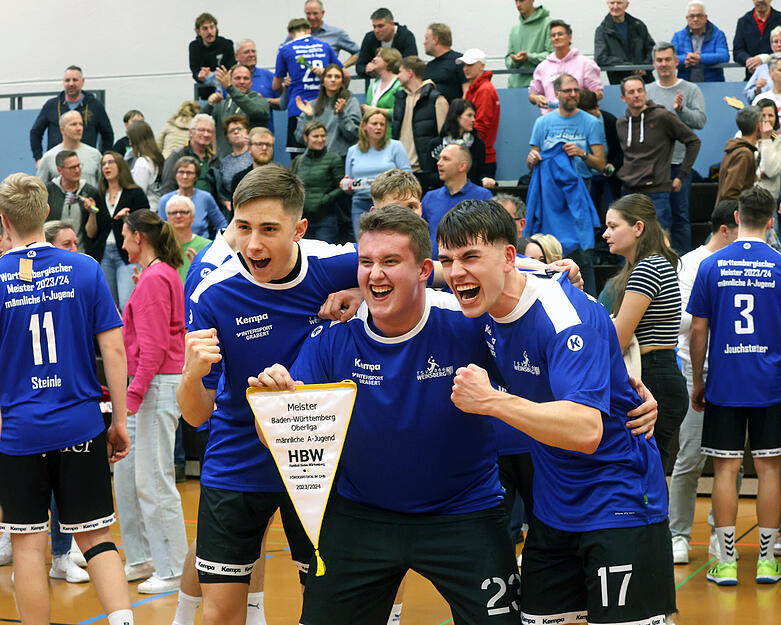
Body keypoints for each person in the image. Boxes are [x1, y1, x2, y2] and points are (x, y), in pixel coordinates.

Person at [251, 205, 524, 625]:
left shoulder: (469, 321)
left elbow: (538, 333)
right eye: (366, 262)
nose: (375, 274)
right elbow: (280, 435)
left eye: (390, 262)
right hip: (362, 514)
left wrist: (626, 388)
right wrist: (272, 404)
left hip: (463, 511)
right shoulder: (334, 335)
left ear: (423, 270)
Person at [437, 199, 673, 625]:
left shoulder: (562, 315)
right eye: (447, 260)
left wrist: (491, 400)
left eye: (470, 257)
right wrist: (356, 288)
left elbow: (586, 430)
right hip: (553, 508)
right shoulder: (486, 298)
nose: (456, 272)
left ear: (509, 257)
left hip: (617, 501)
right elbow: (417, 274)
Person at [178, 164, 360, 625]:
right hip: (237, 461)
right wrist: (190, 374)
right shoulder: (212, 292)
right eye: (242, 227)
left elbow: (420, 266)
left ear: (299, 229)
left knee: (328, 606)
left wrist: (363, 289)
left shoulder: (330, 267)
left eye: (268, 230)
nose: (253, 245)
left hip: (316, 464)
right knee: (220, 611)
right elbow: (196, 416)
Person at [0, 172, 133, 625]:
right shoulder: (86, 268)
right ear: (46, 214)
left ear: (4, 222)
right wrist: (119, 419)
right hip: (80, 424)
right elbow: (113, 349)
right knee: (97, 538)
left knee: (28, 549)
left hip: (18, 432)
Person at [688, 185, 781, 585]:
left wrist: (698, 379)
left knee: (725, 470)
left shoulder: (711, 264)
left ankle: (725, 562)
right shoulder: (779, 264)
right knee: (769, 469)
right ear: (772, 221)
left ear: (737, 217)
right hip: (771, 384)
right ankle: (766, 560)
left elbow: (697, 330)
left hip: (724, 381)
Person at [113, 209, 188, 594]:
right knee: (132, 476)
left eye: (125, 236)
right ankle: (144, 557)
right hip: (152, 383)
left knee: (154, 479)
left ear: (138, 237)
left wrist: (133, 393)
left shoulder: (157, 278)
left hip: (157, 384)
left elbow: (155, 347)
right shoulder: (157, 275)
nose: (122, 244)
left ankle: (174, 567)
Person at [668, 201, 739, 565]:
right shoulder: (691, 263)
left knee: (730, 461)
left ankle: (719, 533)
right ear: (725, 229)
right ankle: (678, 534)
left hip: (732, 372)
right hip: (694, 369)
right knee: (690, 457)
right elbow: (684, 321)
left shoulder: (744, 263)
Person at [602, 194, 688, 473]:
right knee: (646, 474)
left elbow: (618, 338)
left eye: (614, 227)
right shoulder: (650, 265)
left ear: (638, 228)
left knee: (644, 476)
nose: (606, 234)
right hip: (658, 374)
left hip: (654, 376)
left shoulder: (648, 267)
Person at [527, 73, 605, 295]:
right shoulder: (542, 123)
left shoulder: (591, 122)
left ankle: (589, 301)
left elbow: (601, 164)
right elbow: (532, 159)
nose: (573, 94)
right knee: (551, 254)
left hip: (580, 195)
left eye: (576, 90)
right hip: (551, 198)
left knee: (582, 256)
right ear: (557, 93)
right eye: (568, 90)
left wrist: (581, 153)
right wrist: (532, 159)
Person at [616, 76, 701, 233]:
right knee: (627, 240)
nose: (636, 95)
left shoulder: (662, 117)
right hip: (628, 191)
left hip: (657, 192)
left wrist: (681, 176)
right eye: (631, 92)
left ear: (645, 93)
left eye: (640, 90)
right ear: (623, 98)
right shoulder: (621, 123)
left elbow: (693, 141)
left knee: (658, 240)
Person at [646, 42, 707, 255]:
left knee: (680, 216)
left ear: (676, 61)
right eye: (659, 60)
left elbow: (700, 121)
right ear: (654, 63)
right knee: (657, 218)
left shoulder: (691, 89)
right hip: (653, 167)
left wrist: (681, 111)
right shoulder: (647, 91)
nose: (664, 64)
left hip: (679, 164)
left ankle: (683, 262)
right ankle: (660, 261)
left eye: (667, 60)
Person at [273, 18, 341, 156]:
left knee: (297, 156)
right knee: (326, 153)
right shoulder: (325, 46)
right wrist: (325, 71)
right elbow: (343, 74)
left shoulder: (285, 50)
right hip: (323, 107)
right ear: (309, 30)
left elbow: (275, 86)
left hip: (298, 107)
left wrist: (286, 83)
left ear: (290, 33)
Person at [345, 108, 412, 237]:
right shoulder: (352, 151)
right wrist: (345, 184)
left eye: (382, 124)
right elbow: (349, 183)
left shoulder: (395, 146)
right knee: (364, 245)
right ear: (364, 126)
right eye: (374, 124)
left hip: (390, 204)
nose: (379, 127)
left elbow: (407, 176)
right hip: (361, 203)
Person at [97, 151, 150, 310]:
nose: (106, 166)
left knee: (127, 305)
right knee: (110, 307)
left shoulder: (135, 193)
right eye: (104, 164)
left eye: (111, 162)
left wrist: (128, 218)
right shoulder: (98, 195)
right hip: (104, 253)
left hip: (127, 253)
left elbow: (146, 224)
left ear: (120, 165)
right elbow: (93, 231)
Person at [29, 65, 114, 164]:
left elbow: (108, 134)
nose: (71, 84)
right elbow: (35, 132)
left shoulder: (95, 106)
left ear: (82, 82)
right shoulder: (51, 105)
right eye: (67, 80)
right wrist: (38, 158)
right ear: (63, 82)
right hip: (56, 162)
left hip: (86, 162)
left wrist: (104, 158)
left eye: (75, 80)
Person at [422, 143, 493, 256]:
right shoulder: (429, 197)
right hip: (433, 267)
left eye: (446, 159)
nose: (439, 163)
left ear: (462, 166)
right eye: (439, 158)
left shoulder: (483, 197)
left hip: (467, 267)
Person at [391, 56, 448, 191]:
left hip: (425, 173)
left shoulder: (436, 99)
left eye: (400, 71)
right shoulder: (399, 99)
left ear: (410, 72)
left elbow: (444, 138)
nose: (397, 76)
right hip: (401, 172)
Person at [45, 150, 110, 261]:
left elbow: (92, 234)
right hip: (53, 256)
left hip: (82, 255)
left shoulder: (91, 192)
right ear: (60, 170)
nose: (77, 170)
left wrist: (92, 212)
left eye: (78, 166)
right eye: (72, 167)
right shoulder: (48, 191)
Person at [529, 20, 604, 114]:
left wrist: (580, 101)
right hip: (551, 119)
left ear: (569, 37)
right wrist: (536, 98)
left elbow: (598, 93)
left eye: (560, 34)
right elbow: (533, 94)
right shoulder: (543, 67)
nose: (556, 38)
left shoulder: (586, 63)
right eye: (553, 35)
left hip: (580, 117)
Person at [291, 121, 344, 243]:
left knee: (325, 256)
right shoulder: (298, 160)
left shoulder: (334, 159)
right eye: (315, 136)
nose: (320, 139)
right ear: (306, 138)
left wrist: (324, 199)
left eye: (323, 136)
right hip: (302, 219)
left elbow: (342, 187)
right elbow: (293, 186)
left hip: (326, 219)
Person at [202, 64, 270, 158]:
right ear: (231, 80)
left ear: (251, 82)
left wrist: (230, 88)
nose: (242, 81)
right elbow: (199, 123)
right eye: (237, 78)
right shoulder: (222, 104)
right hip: (223, 164)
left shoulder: (260, 101)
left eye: (246, 78)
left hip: (251, 164)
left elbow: (255, 112)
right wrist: (209, 105)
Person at [294, 64, 361, 158]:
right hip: (315, 160)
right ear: (323, 81)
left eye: (337, 77)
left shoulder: (350, 102)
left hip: (340, 159)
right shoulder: (312, 105)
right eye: (329, 76)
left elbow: (354, 135)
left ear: (342, 82)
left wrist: (342, 114)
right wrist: (308, 117)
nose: (333, 80)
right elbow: (300, 138)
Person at [427, 99, 492, 189]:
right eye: (469, 115)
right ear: (457, 117)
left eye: (474, 116)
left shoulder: (478, 144)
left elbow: (481, 173)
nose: (473, 120)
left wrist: (485, 180)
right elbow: (429, 175)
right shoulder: (436, 144)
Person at [159, 157, 227, 239]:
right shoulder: (165, 200)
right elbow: (161, 229)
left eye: (189, 173)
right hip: (175, 247)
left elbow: (222, 224)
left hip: (202, 247)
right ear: (176, 175)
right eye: (181, 172)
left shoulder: (205, 198)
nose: (184, 176)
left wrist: (216, 244)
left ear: (196, 177)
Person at [579, 89, 624, 213]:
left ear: (598, 107)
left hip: (608, 175)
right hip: (587, 176)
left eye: (591, 115)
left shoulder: (610, 121)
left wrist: (613, 165)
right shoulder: (575, 124)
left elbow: (622, 151)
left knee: (612, 210)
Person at [459, 49, 501, 178]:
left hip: (481, 157)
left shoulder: (484, 90)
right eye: (464, 65)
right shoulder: (476, 89)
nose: (466, 68)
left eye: (470, 65)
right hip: (476, 154)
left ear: (482, 66)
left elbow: (481, 126)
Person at [161, 114, 221, 201]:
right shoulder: (177, 156)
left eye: (209, 131)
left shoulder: (214, 159)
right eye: (201, 130)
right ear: (191, 132)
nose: (206, 134)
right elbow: (167, 188)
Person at [594, 0, 655, 85]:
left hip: (645, 80)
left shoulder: (639, 25)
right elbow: (600, 58)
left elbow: (652, 50)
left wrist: (644, 67)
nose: (615, 6)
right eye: (612, 3)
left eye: (619, 3)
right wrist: (631, 67)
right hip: (620, 83)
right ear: (608, 4)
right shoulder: (602, 31)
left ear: (626, 5)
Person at [36, 111, 102, 187]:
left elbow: (106, 186)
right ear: (62, 130)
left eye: (81, 124)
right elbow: (39, 190)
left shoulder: (95, 155)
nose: (79, 128)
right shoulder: (49, 157)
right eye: (73, 124)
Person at [285, 1, 360, 67]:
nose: (312, 17)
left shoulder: (336, 34)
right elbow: (283, 54)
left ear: (322, 13)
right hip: (300, 81)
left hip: (327, 81)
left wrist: (340, 68)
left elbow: (358, 52)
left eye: (315, 13)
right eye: (308, 14)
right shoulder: (296, 35)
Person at [671, 2, 730, 82]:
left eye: (699, 15)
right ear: (687, 18)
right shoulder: (678, 36)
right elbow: (671, 58)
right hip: (685, 85)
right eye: (692, 16)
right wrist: (686, 59)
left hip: (713, 84)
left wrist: (701, 58)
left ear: (705, 18)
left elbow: (724, 56)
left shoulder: (718, 35)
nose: (695, 19)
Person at [716, 106, 762, 205]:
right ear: (758, 126)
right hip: (733, 216)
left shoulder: (736, 149)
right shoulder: (744, 154)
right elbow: (730, 193)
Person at [233, 39, 282, 133]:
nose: (251, 54)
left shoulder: (268, 76)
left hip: (263, 136)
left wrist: (263, 101)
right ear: (236, 56)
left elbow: (283, 103)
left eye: (253, 51)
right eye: (247, 52)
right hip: (235, 137)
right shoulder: (229, 78)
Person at [356, 8, 418, 78]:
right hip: (379, 83)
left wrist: (381, 69)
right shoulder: (369, 38)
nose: (376, 30)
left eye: (380, 26)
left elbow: (411, 65)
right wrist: (366, 69)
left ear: (391, 24)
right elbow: (359, 66)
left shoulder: (406, 36)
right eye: (374, 26)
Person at [506, 0, 553, 89]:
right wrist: (515, 60)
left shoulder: (548, 24)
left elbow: (553, 56)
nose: (518, 4)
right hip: (516, 87)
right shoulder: (514, 30)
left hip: (541, 87)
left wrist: (529, 57)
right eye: (516, 1)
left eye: (522, 0)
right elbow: (508, 60)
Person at [165, 195, 211, 283]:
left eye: (183, 212)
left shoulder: (208, 246)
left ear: (193, 217)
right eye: (173, 212)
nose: (178, 216)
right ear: (167, 218)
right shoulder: (159, 248)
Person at [189, 13, 236, 96]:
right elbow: (195, 69)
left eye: (212, 27)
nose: (209, 32)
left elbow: (232, 68)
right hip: (205, 91)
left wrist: (213, 74)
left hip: (226, 90)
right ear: (198, 31)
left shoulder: (226, 44)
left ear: (216, 28)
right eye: (205, 29)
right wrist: (200, 75)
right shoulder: (194, 46)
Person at [734, 0, 781, 80]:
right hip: (752, 78)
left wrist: (763, 59)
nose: (760, 0)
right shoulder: (743, 22)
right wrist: (748, 60)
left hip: (777, 79)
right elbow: (738, 51)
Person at [422, 23, 468, 103]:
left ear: (435, 40)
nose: (424, 43)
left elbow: (467, 92)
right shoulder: (428, 66)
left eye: (426, 39)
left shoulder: (459, 61)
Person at [126, 120, 164, 212]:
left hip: (145, 212)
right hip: (156, 208)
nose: (130, 143)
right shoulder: (158, 158)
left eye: (131, 139)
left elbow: (138, 193)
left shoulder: (142, 162)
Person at [363, 47, 403, 129]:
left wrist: (374, 110)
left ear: (389, 60)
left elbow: (400, 113)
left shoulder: (399, 84)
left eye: (379, 56)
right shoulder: (373, 84)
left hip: (391, 134)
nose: (374, 59)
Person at [230, 128, 275, 194]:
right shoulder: (240, 179)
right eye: (259, 144)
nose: (264, 148)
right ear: (249, 148)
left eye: (268, 145)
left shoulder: (283, 178)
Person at [218, 115, 252, 202]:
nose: (236, 132)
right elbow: (222, 190)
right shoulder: (224, 162)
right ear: (227, 138)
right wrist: (225, 202)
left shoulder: (254, 155)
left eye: (239, 129)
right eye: (232, 130)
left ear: (247, 132)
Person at [755, 99, 781, 209]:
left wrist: (766, 139)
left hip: (768, 201)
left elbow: (770, 171)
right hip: (747, 199)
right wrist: (760, 173)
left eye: (770, 115)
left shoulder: (779, 141)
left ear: (776, 119)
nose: (766, 120)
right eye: (763, 115)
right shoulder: (745, 135)